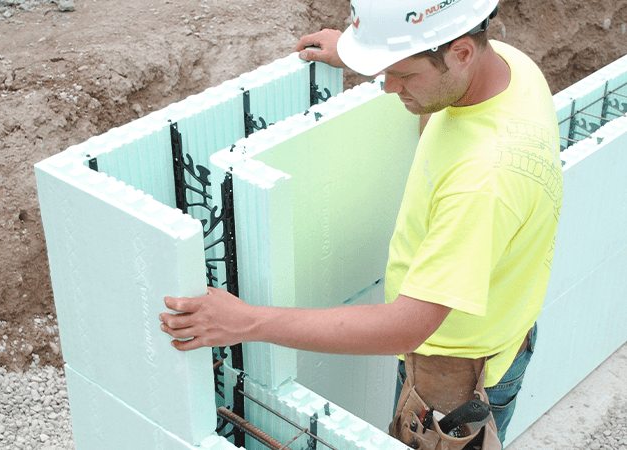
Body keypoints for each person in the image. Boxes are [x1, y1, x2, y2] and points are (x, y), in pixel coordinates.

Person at [159, 0, 563, 447]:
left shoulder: (483, 183)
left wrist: (246, 322)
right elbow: (441, 107)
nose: (389, 87)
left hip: (454, 377)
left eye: (403, 75)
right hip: (500, 333)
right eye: (384, 70)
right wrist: (365, 53)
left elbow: (405, 326)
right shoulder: (510, 68)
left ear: (461, 53)